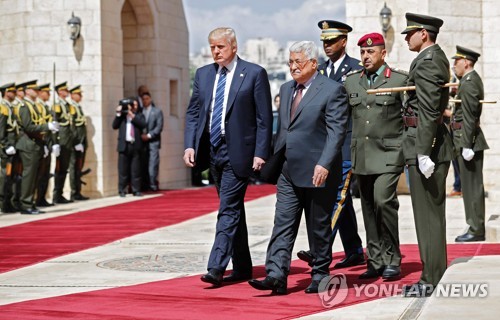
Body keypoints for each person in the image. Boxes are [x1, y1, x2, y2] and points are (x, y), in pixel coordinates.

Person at [248, 41, 348, 294]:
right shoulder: (285, 88)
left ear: (313, 64)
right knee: (282, 224)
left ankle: (321, 274)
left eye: (298, 62)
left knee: (319, 226)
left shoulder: (332, 90)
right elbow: (284, 130)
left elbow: (336, 132)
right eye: (290, 62)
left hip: (318, 172)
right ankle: (276, 275)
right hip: (288, 171)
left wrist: (324, 163)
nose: (292, 67)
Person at [183, 27, 272, 287]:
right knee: (233, 210)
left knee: (228, 208)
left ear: (233, 46)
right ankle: (243, 267)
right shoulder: (203, 75)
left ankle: (216, 266)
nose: (215, 51)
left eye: (220, 47)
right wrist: (190, 145)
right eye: (212, 47)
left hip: (240, 153)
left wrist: (260, 152)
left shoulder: (254, 73)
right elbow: (193, 112)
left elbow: (264, 118)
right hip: (212, 152)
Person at [296, 19, 365, 270]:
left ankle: (318, 250)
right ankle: (355, 250)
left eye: (332, 41)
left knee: (336, 197)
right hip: (323, 147)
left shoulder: (357, 70)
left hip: (347, 143)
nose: (326, 45)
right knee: (341, 200)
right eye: (324, 41)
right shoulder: (319, 72)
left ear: (343, 41)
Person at [345, 33, 407, 280]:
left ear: (383, 53)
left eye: (371, 52)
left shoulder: (400, 80)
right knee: (368, 208)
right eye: (362, 52)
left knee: (384, 201)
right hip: (363, 156)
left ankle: (392, 258)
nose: (365, 56)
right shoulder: (351, 82)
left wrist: (407, 148)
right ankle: (375, 259)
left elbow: (411, 117)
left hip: (390, 154)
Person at [401, 13, 454, 297]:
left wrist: (423, 152)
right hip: (423, 144)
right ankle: (433, 274)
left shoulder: (429, 61)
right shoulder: (430, 59)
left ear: (424, 33)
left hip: (426, 147)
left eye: (409, 33)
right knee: (428, 216)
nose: (406, 38)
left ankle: (432, 278)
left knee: (428, 216)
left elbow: (430, 110)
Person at [450, 46, 489, 242]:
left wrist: (466, 144)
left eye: (456, 61)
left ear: (466, 62)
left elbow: (470, 116)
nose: (454, 65)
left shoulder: (470, 82)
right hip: (464, 138)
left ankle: (476, 228)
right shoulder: (465, 82)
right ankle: (473, 224)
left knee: (472, 186)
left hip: (468, 141)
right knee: (468, 185)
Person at [15, 80, 59, 214]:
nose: (37, 91)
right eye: (34, 89)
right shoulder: (24, 106)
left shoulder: (34, 106)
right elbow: (28, 127)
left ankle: (31, 202)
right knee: (29, 176)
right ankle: (25, 204)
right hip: (28, 144)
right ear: (27, 91)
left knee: (35, 176)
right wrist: (47, 126)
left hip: (36, 144)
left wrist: (45, 143)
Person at [112, 98, 147, 197]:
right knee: (123, 170)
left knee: (135, 169)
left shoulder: (139, 115)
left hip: (135, 145)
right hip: (124, 145)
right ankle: (122, 190)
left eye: (134, 105)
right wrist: (118, 113)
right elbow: (114, 126)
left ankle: (136, 190)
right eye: (132, 105)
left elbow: (143, 125)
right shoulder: (122, 117)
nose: (133, 107)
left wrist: (132, 116)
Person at [52, 82, 75, 204]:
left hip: (68, 139)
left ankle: (60, 194)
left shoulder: (67, 105)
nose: (67, 91)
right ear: (59, 92)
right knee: (59, 168)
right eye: (64, 90)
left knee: (64, 168)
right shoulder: (57, 105)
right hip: (62, 139)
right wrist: (55, 142)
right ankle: (56, 194)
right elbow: (55, 124)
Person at [35, 83, 57, 207]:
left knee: (46, 173)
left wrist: (53, 143)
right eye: (46, 92)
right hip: (41, 142)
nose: (48, 94)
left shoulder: (47, 107)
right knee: (39, 173)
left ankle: (42, 197)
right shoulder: (38, 107)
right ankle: (36, 199)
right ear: (40, 93)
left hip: (48, 143)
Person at [68, 85, 89, 201]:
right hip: (75, 142)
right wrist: (76, 142)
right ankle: (74, 192)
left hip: (81, 142)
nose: (80, 96)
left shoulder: (78, 107)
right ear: (72, 95)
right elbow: (73, 126)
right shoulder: (72, 107)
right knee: (73, 167)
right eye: (78, 94)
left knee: (78, 167)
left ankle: (78, 191)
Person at [0, 83, 19, 213]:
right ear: (6, 92)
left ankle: (8, 203)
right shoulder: (3, 108)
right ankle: (2, 203)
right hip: (5, 148)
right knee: (3, 176)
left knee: (10, 177)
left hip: (13, 145)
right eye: (12, 91)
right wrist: (5, 145)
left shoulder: (9, 107)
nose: (15, 93)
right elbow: (1, 130)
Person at [140, 91, 164, 191]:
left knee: (153, 164)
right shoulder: (140, 112)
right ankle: (145, 184)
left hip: (153, 142)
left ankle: (153, 184)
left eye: (146, 99)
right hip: (142, 143)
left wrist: (149, 135)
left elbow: (159, 127)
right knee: (144, 164)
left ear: (150, 99)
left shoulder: (157, 111)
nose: (145, 101)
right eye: (143, 99)